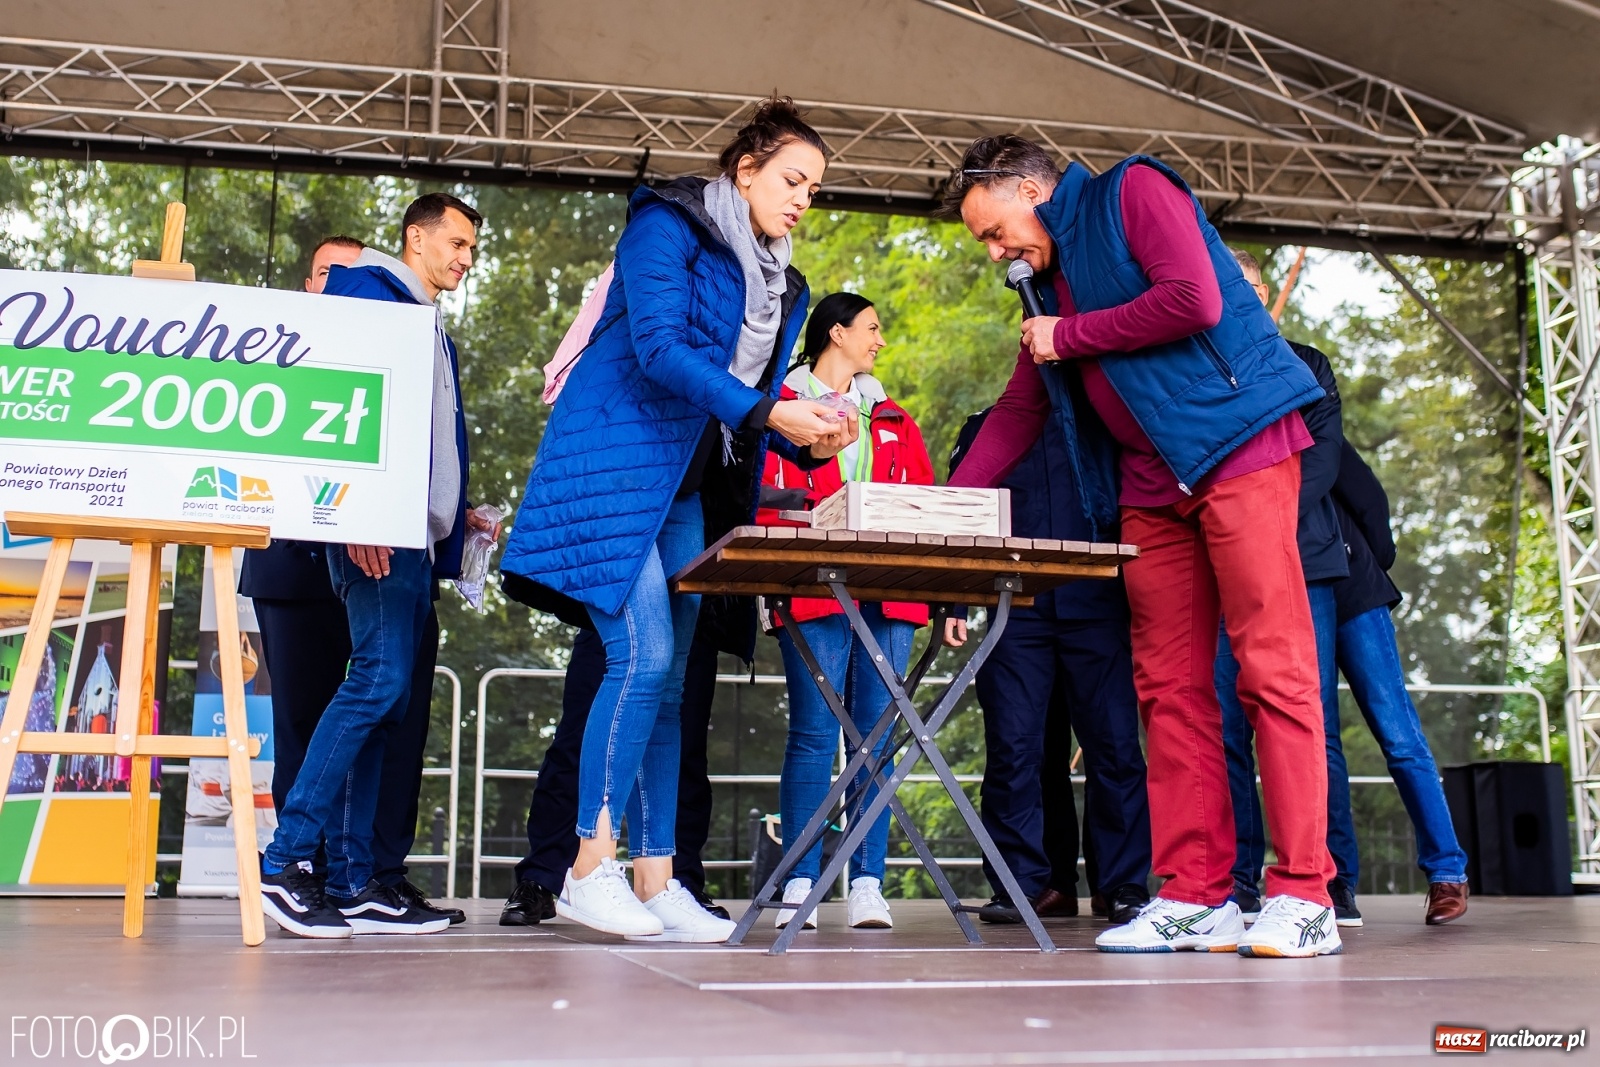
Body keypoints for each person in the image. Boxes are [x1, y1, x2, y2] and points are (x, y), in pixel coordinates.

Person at [943, 135, 1340, 958]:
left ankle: (1304, 893)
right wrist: (936, 506)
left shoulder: (1132, 190)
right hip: (1150, 490)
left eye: (993, 230)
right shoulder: (1045, 292)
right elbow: (1021, 412)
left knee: (1274, 669)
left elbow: (1193, 298)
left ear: (1030, 187)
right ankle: (1198, 895)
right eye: (984, 242)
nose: (994, 252)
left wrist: (1073, 333)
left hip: (1240, 450)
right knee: (1167, 687)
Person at [498, 97, 853, 943]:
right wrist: (772, 418)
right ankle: (589, 865)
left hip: (688, 486)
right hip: (615, 467)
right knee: (642, 652)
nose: (804, 198)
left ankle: (657, 876)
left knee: (673, 667)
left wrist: (808, 438)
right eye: (792, 179)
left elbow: (749, 401)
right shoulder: (668, 223)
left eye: (815, 188)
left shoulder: (780, 279)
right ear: (745, 168)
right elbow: (659, 350)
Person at [258, 194, 495, 938]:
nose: (464, 258)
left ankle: (359, 881)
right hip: (376, 534)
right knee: (375, 683)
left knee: (387, 700)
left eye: (472, 250)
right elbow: (332, 396)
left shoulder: (430, 326)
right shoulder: (366, 288)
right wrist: (355, 508)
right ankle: (285, 861)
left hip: (414, 541)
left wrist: (457, 526)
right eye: (455, 242)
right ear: (414, 238)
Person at [757, 293, 936, 932]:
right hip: (809, 588)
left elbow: (923, 508)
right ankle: (799, 880)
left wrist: (942, 597)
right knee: (811, 735)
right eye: (873, 328)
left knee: (876, 739)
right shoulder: (777, 410)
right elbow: (761, 496)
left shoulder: (895, 419)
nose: (881, 341)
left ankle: (866, 884)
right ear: (837, 333)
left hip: (889, 594)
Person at [950, 407, 1152, 927]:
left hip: (1101, 608)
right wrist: (951, 602)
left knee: (1115, 750)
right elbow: (959, 511)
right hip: (1014, 612)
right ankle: (1030, 885)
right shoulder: (984, 428)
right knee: (1018, 751)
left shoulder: (1110, 420)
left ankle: (1121, 886)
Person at [1214, 248, 1350, 925]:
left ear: (1266, 294)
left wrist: (1260, 526)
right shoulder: (1198, 360)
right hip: (1218, 561)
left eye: (1249, 285)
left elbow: (1324, 460)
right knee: (1223, 725)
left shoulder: (1306, 362)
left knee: (1306, 715)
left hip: (1295, 554)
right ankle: (1236, 882)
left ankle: (1328, 881)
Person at [498, 627, 728, 926]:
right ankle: (549, 874)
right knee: (577, 742)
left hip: (697, 602)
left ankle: (669, 883)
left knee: (684, 748)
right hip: (616, 602)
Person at [1332, 441, 1471, 925]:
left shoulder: (1309, 418)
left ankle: (1447, 873)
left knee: (1400, 737)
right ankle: (1338, 881)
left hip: (1354, 589)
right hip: (1294, 595)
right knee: (1319, 745)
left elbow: (1369, 498)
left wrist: (1374, 561)